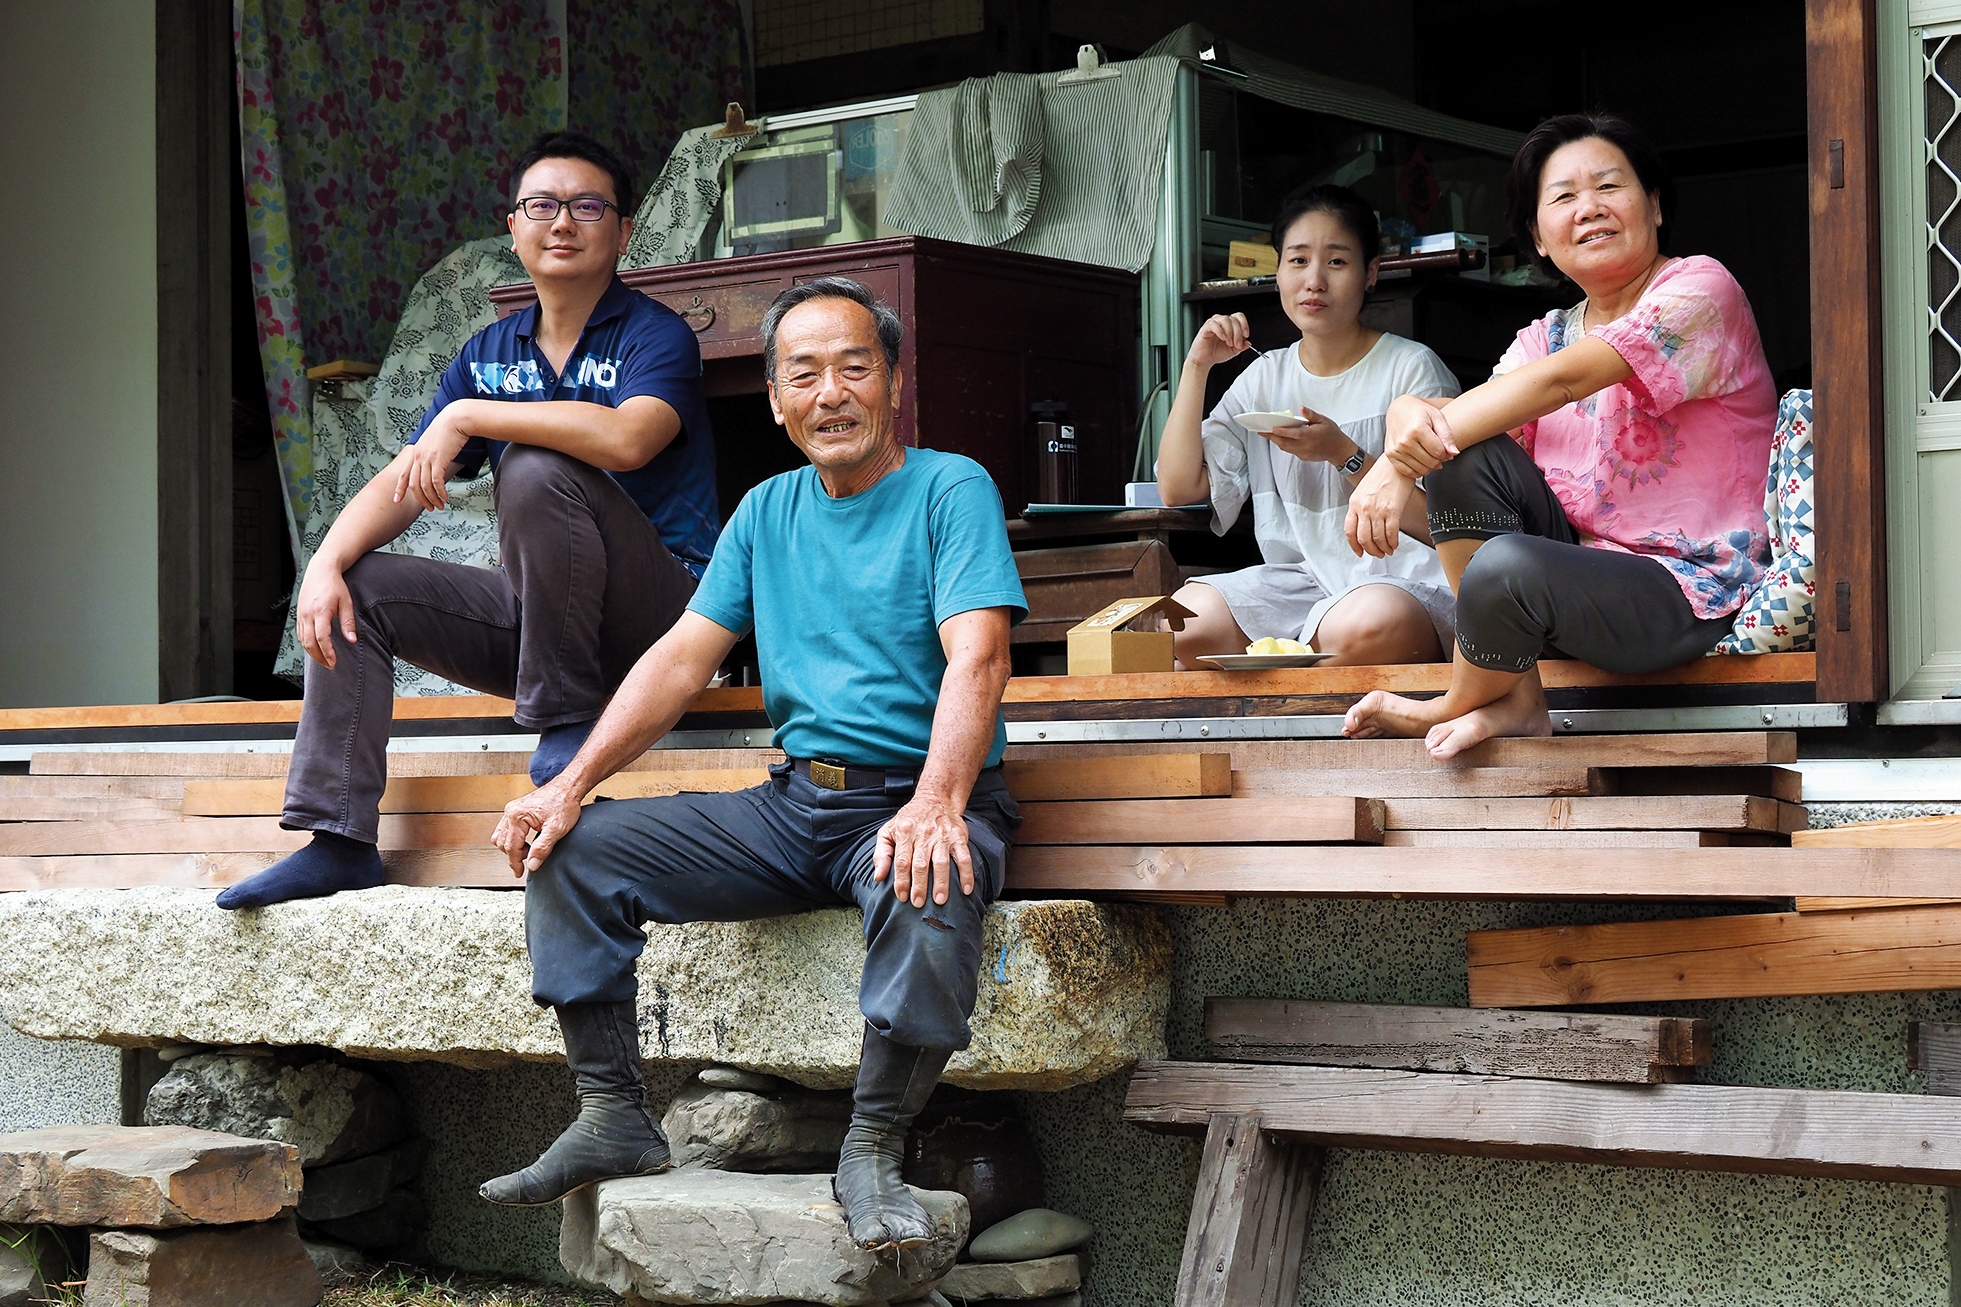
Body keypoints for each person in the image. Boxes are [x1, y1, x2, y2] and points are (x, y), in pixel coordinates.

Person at [476, 277, 1026, 1255]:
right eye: (803, 374)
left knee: (931, 877)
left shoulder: (951, 488)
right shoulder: (767, 510)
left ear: (894, 383)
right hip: (796, 805)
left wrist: (938, 800)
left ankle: (871, 1147)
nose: (830, 393)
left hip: (915, 797)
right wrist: (566, 784)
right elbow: (678, 661)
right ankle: (611, 1113)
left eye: (854, 367)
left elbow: (976, 656)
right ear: (774, 400)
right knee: (577, 848)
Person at [217, 131, 721, 912]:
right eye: (541, 206)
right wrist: (324, 564)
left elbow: (630, 439)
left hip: (661, 621)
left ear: (623, 232)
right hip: (548, 622)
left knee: (534, 463)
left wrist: (471, 415)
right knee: (359, 588)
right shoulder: (489, 351)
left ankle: (565, 722)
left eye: (587, 207)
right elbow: (403, 480)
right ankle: (338, 838)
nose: (563, 222)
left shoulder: (656, 334)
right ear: (513, 229)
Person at [1342, 114, 1776, 757]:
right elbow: (1458, 434)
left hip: (1691, 593)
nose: (1590, 208)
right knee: (1462, 452)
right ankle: (1515, 697)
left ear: (1655, 206)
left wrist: (1396, 462)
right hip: (1571, 589)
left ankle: (1459, 697)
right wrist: (1403, 413)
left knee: (1502, 555)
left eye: (1609, 186)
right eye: (1565, 196)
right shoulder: (1542, 339)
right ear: (1538, 238)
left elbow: (1560, 383)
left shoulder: (1700, 291)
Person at [1155, 184, 1460, 668]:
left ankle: (1287, 690)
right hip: (1302, 584)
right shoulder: (1264, 378)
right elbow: (1177, 487)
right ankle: (1310, 673)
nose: (1314, 280)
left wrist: (1342, 453)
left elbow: (1447, 523)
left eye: (1336, 262)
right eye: (1298, 260)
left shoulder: (1412, 370)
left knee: (1363, 625)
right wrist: (1197, 366)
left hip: (1402, 581)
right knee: (1178, 623)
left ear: (1370, 273)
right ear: (1277, 272)